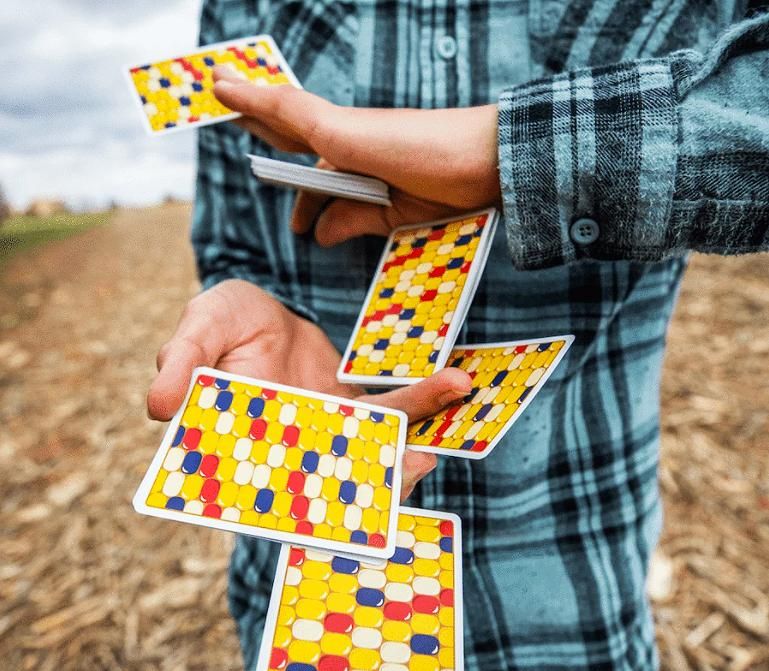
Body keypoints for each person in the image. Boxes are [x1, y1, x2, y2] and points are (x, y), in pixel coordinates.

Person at [147, 0, 769, 667]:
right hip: (307, 580)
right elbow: (233, 244)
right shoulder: (239, 9)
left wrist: (501, 151)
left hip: (575, 592)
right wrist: (249, 316)